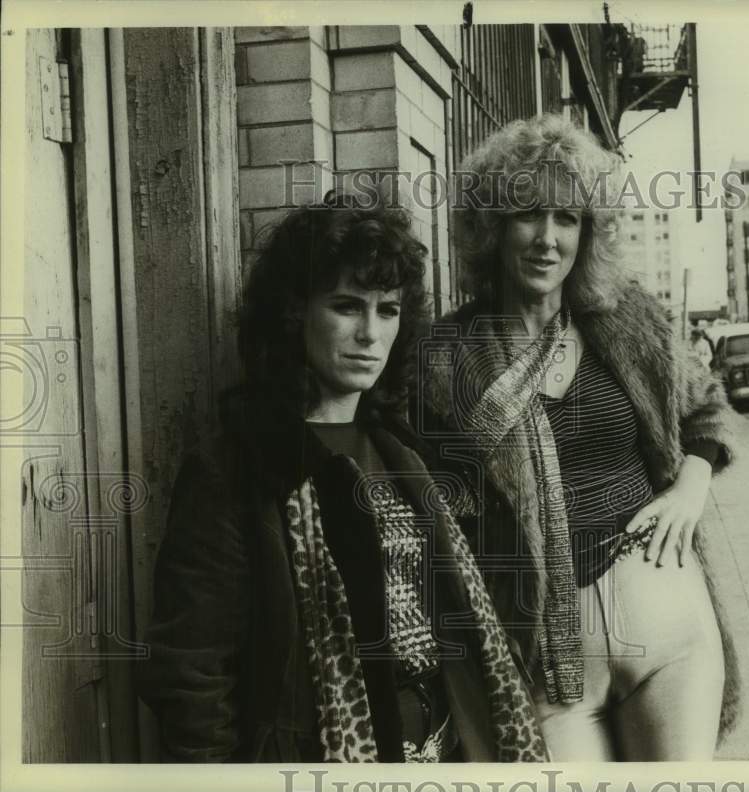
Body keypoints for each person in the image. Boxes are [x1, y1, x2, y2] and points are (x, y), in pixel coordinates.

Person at [136, 195, 547, 763]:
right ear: (294, 312)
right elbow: (191, 672)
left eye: (388, 310)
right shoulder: (239, 468)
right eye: (347, 306)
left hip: (451, 753)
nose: (370, 334)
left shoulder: (411, 453)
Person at [419, 115, 740, 761]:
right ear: (491, 227)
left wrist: (690, 488)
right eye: (527, 214)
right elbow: (432, 515)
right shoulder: (445, 357)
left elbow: (705, 409)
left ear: (588, 232)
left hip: (667, 620)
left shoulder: (626, 320)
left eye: (567, 218)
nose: (546, 238)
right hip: (542, 655)